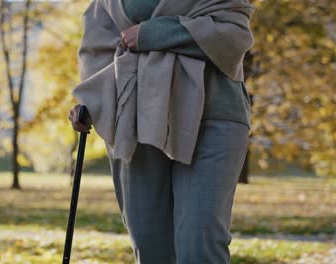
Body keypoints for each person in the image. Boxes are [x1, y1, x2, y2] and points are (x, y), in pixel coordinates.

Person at [69, 0, 253, 263]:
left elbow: (234, 35)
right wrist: (90, 102)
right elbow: (97, 51)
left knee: (198, 243)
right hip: (137, 117)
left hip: (213, 115)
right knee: (149, 244)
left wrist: (152, 34)